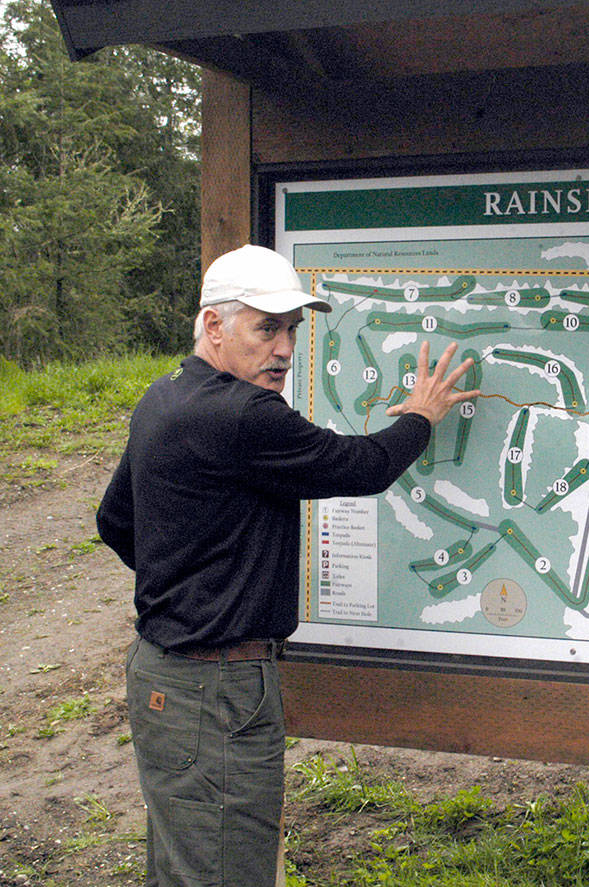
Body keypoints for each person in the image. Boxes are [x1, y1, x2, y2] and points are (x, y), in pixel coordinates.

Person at [96, 244, 479, 886]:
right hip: (217, 693)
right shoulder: (245, 416)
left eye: (293, 330)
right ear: (214, 327)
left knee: (185, 865)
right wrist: (421, 414)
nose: (284, 348)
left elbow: (115, 520)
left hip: (164, 681)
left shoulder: (165, 396)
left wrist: (190, 583)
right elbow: (362, 467)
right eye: (266, 327)